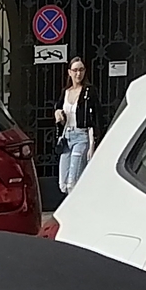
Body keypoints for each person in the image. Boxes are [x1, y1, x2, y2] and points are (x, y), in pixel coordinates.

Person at [55, 57, 92, 195]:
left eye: (81, 70)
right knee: (63, 183)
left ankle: (74, 211)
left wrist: (92, 144)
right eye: (75, 70)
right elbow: (58, 108)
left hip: (81, 136)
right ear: (69, 72)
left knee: (73, 181)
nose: (78, 74)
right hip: (66, 137)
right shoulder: (66, 92)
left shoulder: (88, 91)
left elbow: (94, 118)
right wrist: (58, 113)